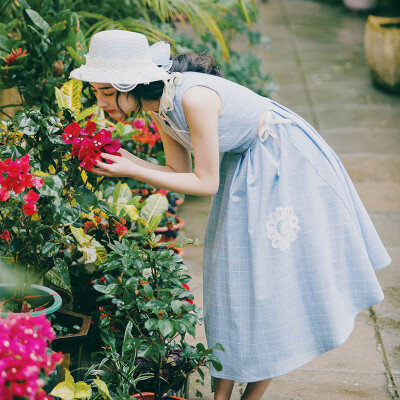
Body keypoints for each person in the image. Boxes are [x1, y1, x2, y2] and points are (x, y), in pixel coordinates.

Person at [70, 30, 392, 400]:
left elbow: (205, 183)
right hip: (247, 166)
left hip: (284, 161)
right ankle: (221, 396)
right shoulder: (160, 104)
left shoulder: (192, 98)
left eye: (107, 93)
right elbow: (178, 173)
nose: (101, 104)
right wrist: (126, 161)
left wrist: (131, 168)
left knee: (266, 287)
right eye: (96, 92)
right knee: (231, 285)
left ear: (132, 84)